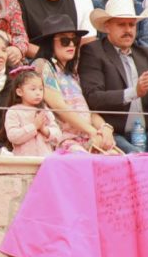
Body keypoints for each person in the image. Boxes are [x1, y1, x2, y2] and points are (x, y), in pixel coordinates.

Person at [79, 0, 148, 154]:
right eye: (121, 24)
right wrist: (133, 92)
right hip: (115, 132)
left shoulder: (146, 54)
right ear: (107, 26)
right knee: (138, 159)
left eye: (132, 24)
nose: (128, 30)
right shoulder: (93, 52)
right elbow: (93, 98)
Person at [31, 13, 117, 153]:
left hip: (85, 136)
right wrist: (91, 131)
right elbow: (58, 106)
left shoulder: (73, 73)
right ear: (49, 43)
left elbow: (86, 110)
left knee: (118, 160)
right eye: (65, 40)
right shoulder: (41, 65)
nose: (71, 44)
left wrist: (105, 128)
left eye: (75, 40)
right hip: (61, 139)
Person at [4, 67, 62, 156]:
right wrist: (34, 126)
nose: (38, 93)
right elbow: (13, 136)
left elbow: (58, 135)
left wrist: (44, 130)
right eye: (33, 89)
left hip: (45, 160)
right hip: (23, 162)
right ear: (19, 92)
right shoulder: (14, 111)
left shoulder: (44, 110)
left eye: (41, 89)